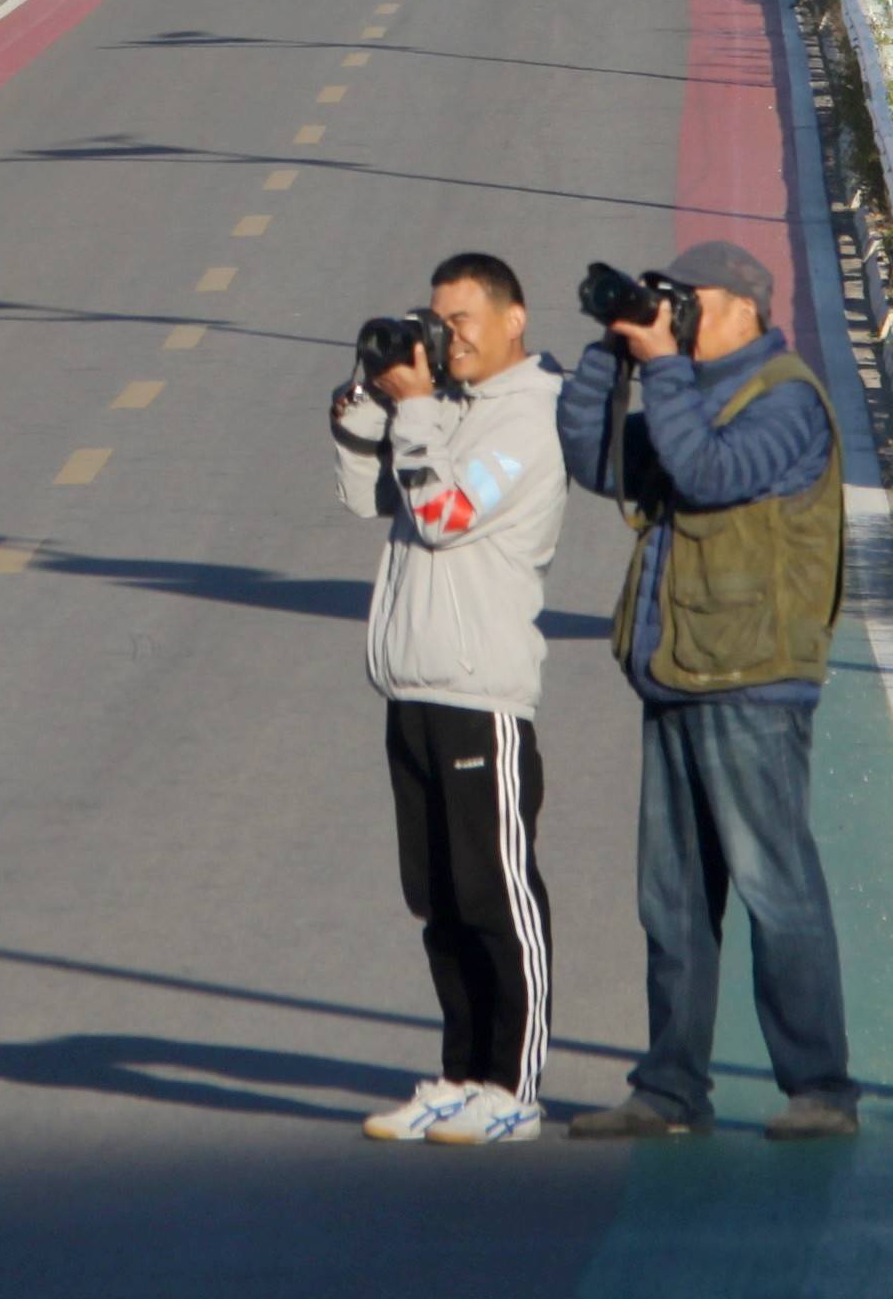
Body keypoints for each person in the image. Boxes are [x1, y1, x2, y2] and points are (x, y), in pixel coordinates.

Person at [553, 233, 856, 1140]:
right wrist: (611, 354)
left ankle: (820, 1090)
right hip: (679, 673)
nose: (675, 318)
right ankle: (670, 1090)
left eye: (687, 304)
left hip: (755, 679)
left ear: (742, 309)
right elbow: (601, 462)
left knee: (776, 887)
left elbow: (708, 472)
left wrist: (664, 370)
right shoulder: (692, 390)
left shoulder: (788, 399)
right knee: (674, 899)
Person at [328, 250, 568, 1147]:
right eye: (436, 320)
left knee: (497, 894)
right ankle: (463, 1075)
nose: (445, 337)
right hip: (411, 687)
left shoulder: (532, 422)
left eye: (461, 321)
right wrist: (368, 411)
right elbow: (367, 502)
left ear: (515, 320)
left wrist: (417, 411)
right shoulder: (442, 412)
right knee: (438, 900)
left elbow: (442, 518)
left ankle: (517, 1087)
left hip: (482, 695)